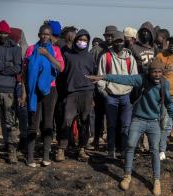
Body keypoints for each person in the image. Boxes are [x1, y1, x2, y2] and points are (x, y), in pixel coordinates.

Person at [86, 58, 173, 196]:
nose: (157, 75)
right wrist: (103, 77)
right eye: (154, 72)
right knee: (130, 145)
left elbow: (169, 102)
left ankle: (156, 180)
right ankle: (127, 175)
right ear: (149, 72)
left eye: (160, 72)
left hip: (154, 121)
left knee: (155, 150)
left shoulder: (165, 83)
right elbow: (123, 79)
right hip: (138, 119)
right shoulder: (141, 79)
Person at [23, 24, 64, 167]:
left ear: (51, 36)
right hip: (33, 90)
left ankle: (46, 156)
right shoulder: (30, 49)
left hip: (50, 90)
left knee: (47, 122)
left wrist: (47, 54)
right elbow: (24, 73)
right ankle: (30, 157)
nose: (45, 36)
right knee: (33, 123)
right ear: (39, 34)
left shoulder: (56, 50)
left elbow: (60, 67)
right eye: (43, 34)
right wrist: (24, 93)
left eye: (48, 34)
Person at [56, 29, 96, 162]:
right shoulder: (67, 54)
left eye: (85, 40)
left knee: (84, 122)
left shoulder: (90, 57)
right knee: (66, 121)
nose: (82, 42)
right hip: (71, 93)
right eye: (80, 39)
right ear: (75, 40)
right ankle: (61, 149)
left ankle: (82, 149)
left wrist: (93, 95)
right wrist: (62, 94)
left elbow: (94, 75)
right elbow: (61, 75)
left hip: (87, 93)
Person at [97, 31, 138, 158]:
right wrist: (104, 92)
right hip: (111, 96)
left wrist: (130, 91)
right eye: (116, 41)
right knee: (111, 125)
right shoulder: (106, 57)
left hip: (126, 96)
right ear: (113, 42)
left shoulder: (130, 58)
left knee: (126, 125)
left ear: (123, 42)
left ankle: (124, 150)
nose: (118, 43)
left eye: (120, 41)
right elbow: (100, 76)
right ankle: (111, 150)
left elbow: (135, 77)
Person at [0, 20, 22, 168]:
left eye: (4, 33)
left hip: (9, 92)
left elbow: (18, 68)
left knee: (11, 124)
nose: (2, 35)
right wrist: (5, 65)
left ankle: (11, 152)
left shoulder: (15, 49)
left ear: (8, 33)